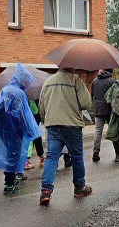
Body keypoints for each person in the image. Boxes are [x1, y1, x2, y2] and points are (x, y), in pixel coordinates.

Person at [38, 65, 94, 204]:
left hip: (52, 125)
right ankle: (79, 188)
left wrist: (47, 121)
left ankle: (45, 191)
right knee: (76, 157)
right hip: (72, 125)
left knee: (51, 157)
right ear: (72, 68)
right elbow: (87, 104)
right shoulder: (76, 81)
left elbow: (41, 107)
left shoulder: (48, 82)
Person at [0, 64, 43, 195]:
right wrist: (29, 131)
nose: (28, 84)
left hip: (3, 129)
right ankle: (9, 184)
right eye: (27, 81)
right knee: (13, 155)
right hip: (14, 130)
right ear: (22, 80)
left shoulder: (6, 90)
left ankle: (10, 179)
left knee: (10, 154)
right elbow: (22, 115)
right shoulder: (19, 93)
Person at [91, 68, 119, 162]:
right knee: (113, 130)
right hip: (109, 109)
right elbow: (116, 95)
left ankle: (95, 152)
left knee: (98, 131)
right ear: (111, 72)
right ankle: (118, 154)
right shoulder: (112, 81)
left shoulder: (95, 81)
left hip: (97, 109)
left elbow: (92, 95)